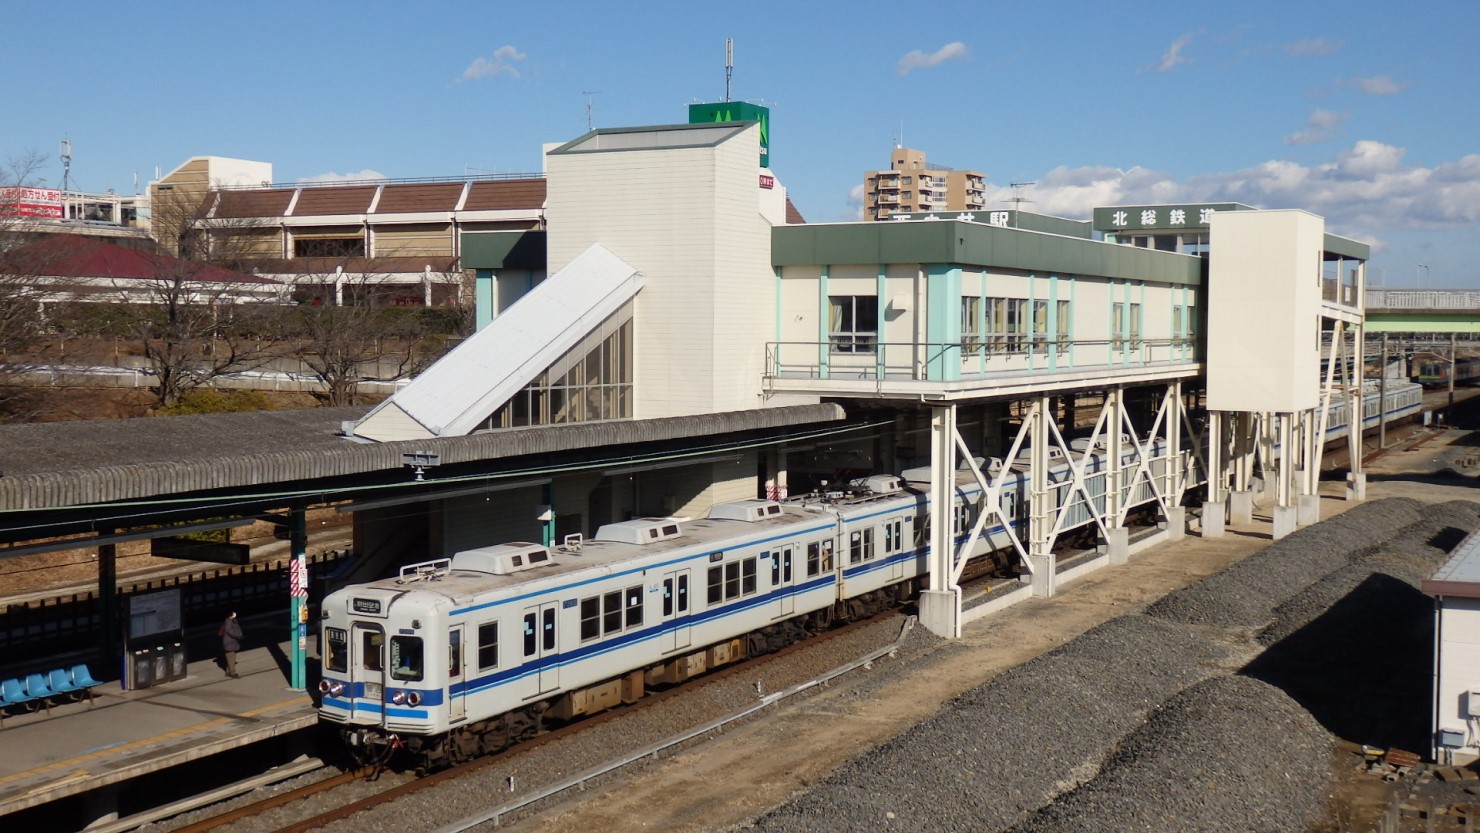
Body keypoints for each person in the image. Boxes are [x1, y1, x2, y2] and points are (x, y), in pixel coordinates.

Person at [221, 612, 243, 678]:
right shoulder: (228, 622)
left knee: (232, 657)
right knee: (231, 657)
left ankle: (228, 671)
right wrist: (239, 635)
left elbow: (237, 629)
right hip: (229, 642)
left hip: (233, 642)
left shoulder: (233, 621)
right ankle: (233, 673)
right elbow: (231, 632)